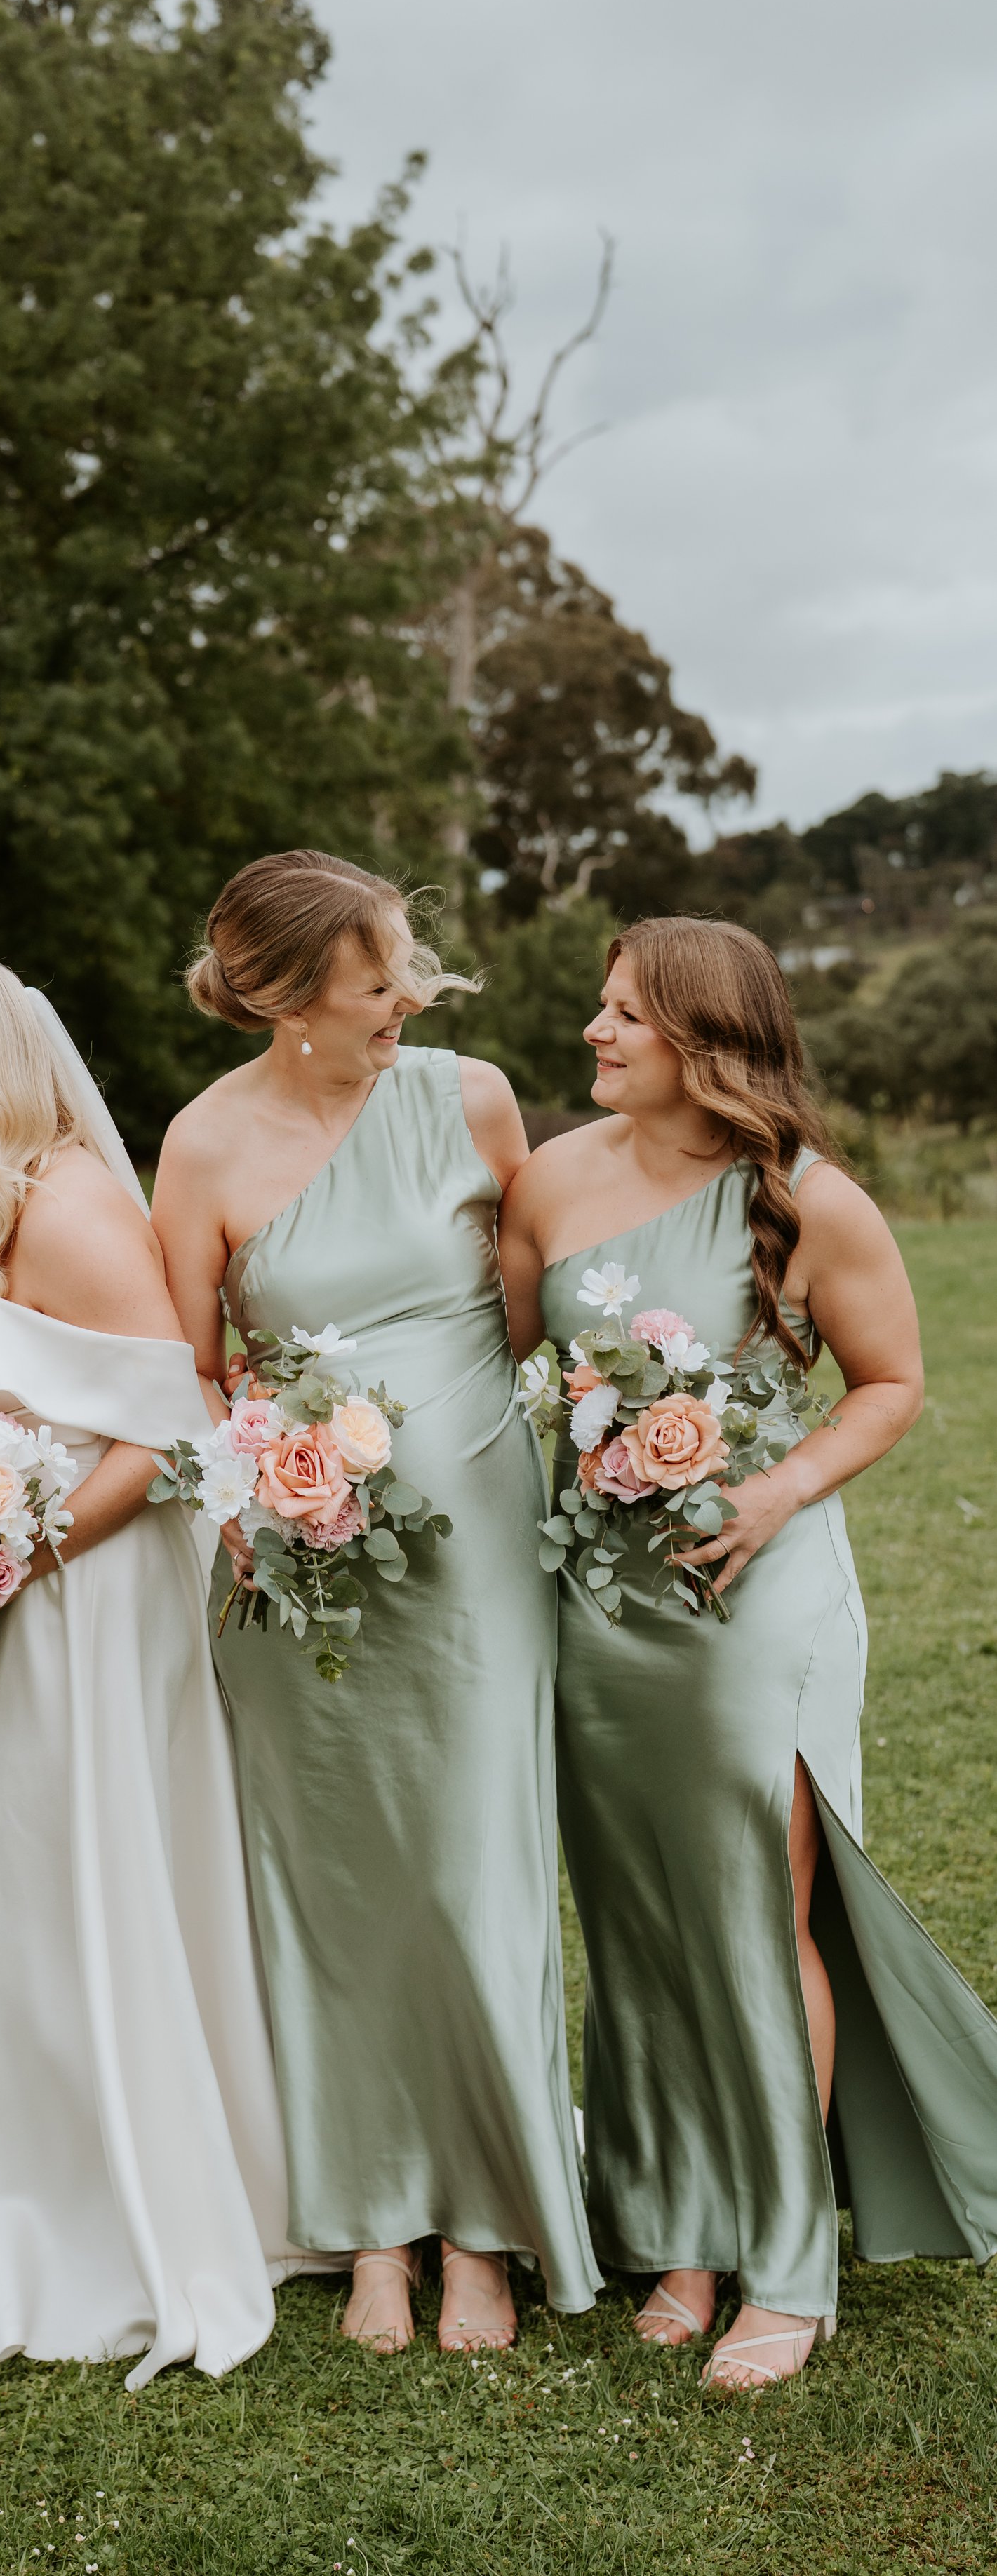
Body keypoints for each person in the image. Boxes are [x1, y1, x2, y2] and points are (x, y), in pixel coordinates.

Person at [498, 915, 997, 2387]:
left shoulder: (808, 1199)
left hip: (750, 1596)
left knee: (747, 1912)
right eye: (597, 1010)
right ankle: (679, 2236)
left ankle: (785, 2262)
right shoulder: (548, 1177)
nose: (593, 1035)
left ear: (704, 1042)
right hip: (595, 1595)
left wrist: (774, 1488)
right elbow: (504, 1364)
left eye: (621, 1018)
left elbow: (888, 1380)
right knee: (639, 1921)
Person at [151, 850, 598, 2357]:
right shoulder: (200, 1147)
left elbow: (530, 1309)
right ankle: (372, 2229)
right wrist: (267, 1480)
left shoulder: (467, 1097)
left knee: (472, 1871)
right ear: (281, 997)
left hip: (473, 1547)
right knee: (331, 1889)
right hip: (299, 1575)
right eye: (374, 976)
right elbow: (194, 1371)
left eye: (406, 965)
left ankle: (485, 2225)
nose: (407, 994)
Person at [0, 960, 304, 2389]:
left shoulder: (71, 1209)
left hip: (75, 1611)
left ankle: (98, 2213)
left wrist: (6, 1567)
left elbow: (163, 1427)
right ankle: (9, 2186)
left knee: (66, 1877)